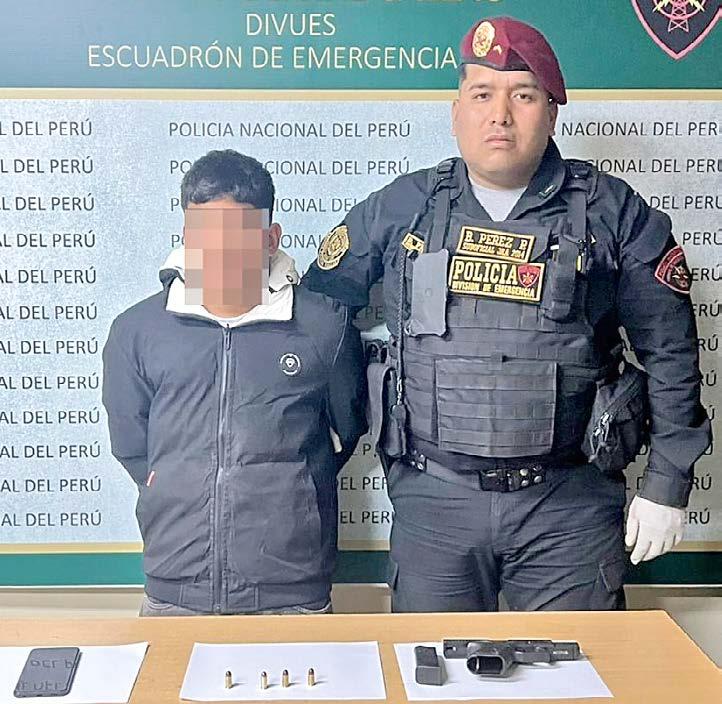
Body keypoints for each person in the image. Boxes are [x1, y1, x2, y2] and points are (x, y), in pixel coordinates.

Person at [302, 16, 711, 612]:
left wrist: (668, 483)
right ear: (456, 113)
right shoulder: (403, 208)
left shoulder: (613, 212)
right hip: (435, 503)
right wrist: (338, 427)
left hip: (568, 510)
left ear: (551, 114)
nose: (500, 115)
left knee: (576, 665)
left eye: (523, 95)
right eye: (481, 95)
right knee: (433, 664)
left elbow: (670, 350)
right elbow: (320, 311)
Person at [103, 150, 367, 615]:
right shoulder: (137, 330)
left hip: (293, 591)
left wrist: (294, 488)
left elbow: (345, 432)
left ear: (270, 238)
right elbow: (132, 444)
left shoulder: (325, 327)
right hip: (175, 589)